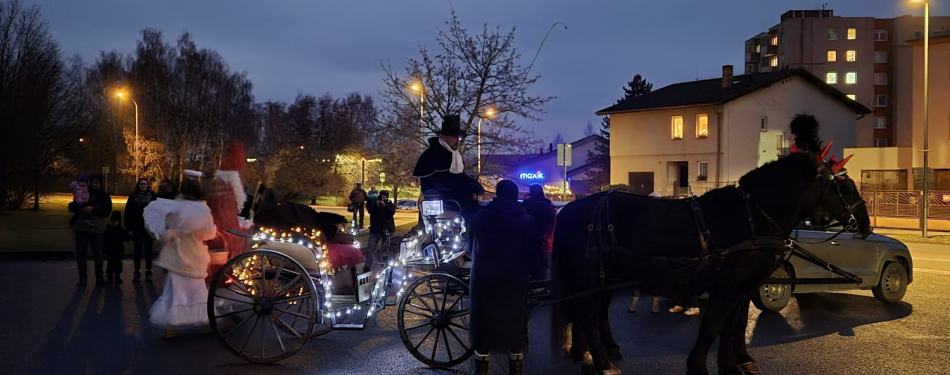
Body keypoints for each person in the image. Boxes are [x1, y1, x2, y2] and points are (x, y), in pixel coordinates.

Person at [469, 180, 542, 375]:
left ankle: (481, 365)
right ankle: (515, 366)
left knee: (484, 321)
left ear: (497, 195)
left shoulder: (480, 218)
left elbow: (470, 247)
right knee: (515, 322)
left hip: (485, 279)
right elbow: (534, 253)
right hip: (514, 280)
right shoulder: (527, 220)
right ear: (515, 195)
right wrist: (535, 275)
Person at [146, 173, 217, 339]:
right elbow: (208, 233)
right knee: (197, 293)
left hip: (175, 256)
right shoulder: (202, 210)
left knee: (173, 294)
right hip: (194, 256)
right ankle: (205, 321)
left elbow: (162, 232)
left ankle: (171, 327)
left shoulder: (171, 208)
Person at [412, 114, 484, 224]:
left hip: (454, 199)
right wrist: (468, 187)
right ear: (443, 137)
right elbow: (441, 182)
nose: (457, 141)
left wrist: (474, 185)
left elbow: (460, 176)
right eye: (454, 137)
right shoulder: (433, 155)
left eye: (458, 138)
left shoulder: (455, 155)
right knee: (476, 215)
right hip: (440, 201)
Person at [67, 174, 113, 286]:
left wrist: (93, 209)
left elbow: (106, 212)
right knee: (81, 254)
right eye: (92, 182)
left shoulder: (105, 196)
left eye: (96, 182)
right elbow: (71, 207)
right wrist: (81, 207)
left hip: (96, 229)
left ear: (101, 184)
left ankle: (99, 278)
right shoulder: (84, 193)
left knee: (98, 254)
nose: (93, 184)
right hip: (81, 228)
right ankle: (83, 278)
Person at [630, 191, 663, 314]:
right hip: (653, 252)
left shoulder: (643, 215)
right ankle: (654, 305)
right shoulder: (660, 216)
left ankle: (634, 305)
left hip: (644, 252)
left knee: (639, 280)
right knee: (654, 279)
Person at [522, 184, 557, 280]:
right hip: (544, 244)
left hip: (525, 245)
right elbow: (552, 225)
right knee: (543, 274)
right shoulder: (548, 207)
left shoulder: (525, 206)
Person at [125, 178, 156, 283]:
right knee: (137, 250)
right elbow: (128, 213)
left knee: (149, 250)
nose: (143, 186)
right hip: (136, 226)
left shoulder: (152, 197)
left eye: (145, 184)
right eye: (141, 184)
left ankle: (148, 272)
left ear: (148, 185)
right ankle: (137, 272)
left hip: (149, 226)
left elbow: (157, 213)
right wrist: (129, 228)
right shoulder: (133, 197)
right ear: (138, 185)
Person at [363, 190, 396, 272]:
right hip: (375, 230)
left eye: (385, 196)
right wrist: (375, 205)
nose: (383, 197)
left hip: (387, 230)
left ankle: (386, 266)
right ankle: (367, 266)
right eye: (382, 196)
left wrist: (385, 206)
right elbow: (370, 210)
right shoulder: (375, 204)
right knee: (370, 249)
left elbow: (392, 211)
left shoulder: (389, 204)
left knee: (385, 250)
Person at [103, 211, 132, 285]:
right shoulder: (120, 230)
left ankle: (112, 277)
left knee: (112, 264)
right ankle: (116, 277)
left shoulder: (108, 229)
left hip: (111, 250)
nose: (115, 223)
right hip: (117, 250)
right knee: (116, 264)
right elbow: (126, 238)